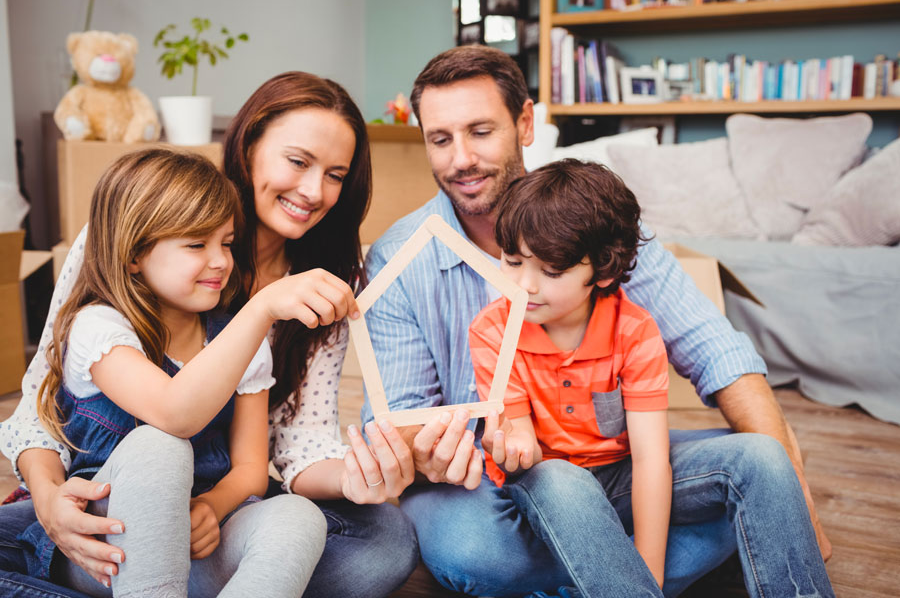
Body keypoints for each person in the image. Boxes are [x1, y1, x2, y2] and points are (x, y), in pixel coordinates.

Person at [361, 45, 830, 596]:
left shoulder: (597, 222)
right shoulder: (399, 258)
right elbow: (397, 418)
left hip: (615, 459)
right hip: (491, 482)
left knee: (763, 469)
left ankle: (607, 568)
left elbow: (712, 348)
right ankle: (639, 560)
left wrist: (797, 499)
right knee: (474, 552)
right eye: (440, 139)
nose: (460, 157)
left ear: (526, 122)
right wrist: (443, 449)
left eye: (481, 131)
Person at [0, 72, 418, 598]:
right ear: (248, 146)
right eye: (298, 161)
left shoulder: (323, 281)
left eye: (336, 174)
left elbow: (291, 447)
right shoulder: (129, 236)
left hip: (218, 516)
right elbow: (41, 406)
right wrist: (48, 499)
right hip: (107, 512)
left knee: (383, 539)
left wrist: (356, 477)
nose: (314, 191)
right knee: (157, 452)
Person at [468, 159, 834, 597]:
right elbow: (521, 439)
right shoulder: (492, 330)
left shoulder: (635, 331)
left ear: (601, 271)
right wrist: (512, 442)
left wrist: (650, 572)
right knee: (562, 480)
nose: (524, 285)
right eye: (512, 262)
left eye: (551, 271)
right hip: (545, 481)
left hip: (619, 473)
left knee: (763, 456)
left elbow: (649, 460)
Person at [17, 148, 332, 596]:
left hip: (196, 543)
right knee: (160, 446)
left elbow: (249, 467)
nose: (222, 261)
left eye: (226, 242)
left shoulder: (238, 337)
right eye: (195, 245)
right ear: (133, 256)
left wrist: (212, 506)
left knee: (300, 516)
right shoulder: (100, 327)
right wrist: (262, 306)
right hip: (106, 545)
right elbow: (174, 413)